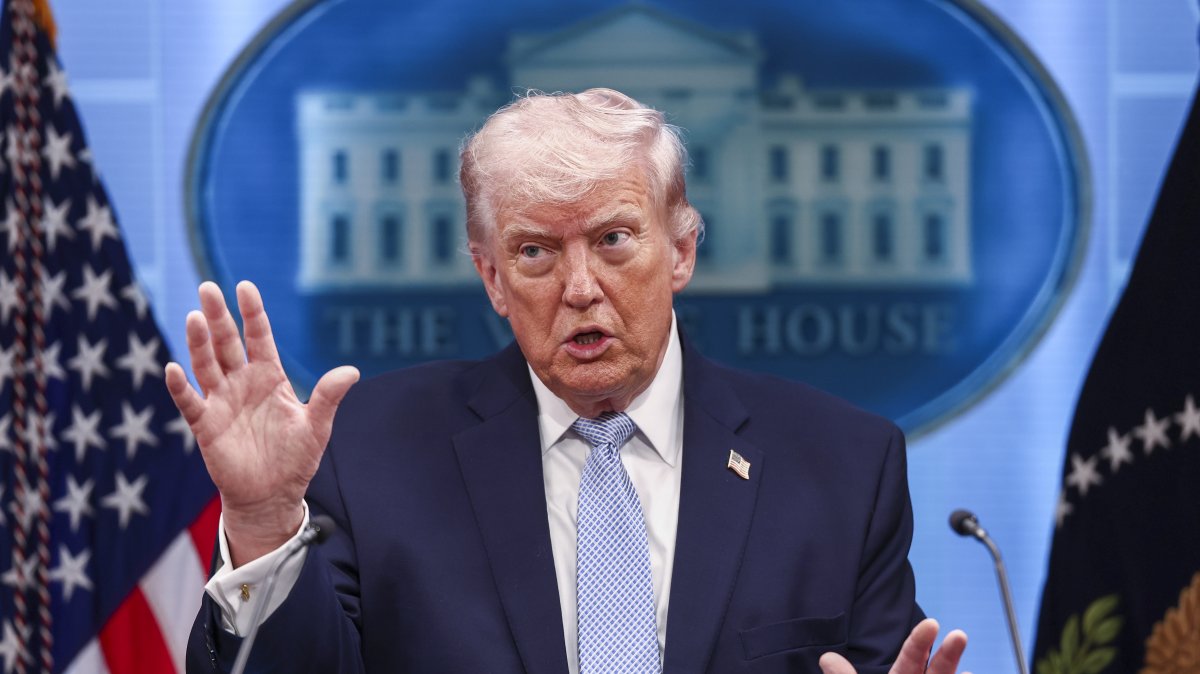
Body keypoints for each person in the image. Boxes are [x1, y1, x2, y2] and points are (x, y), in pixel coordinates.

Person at [167, 88, 968, 673]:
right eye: (536, 253)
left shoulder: (841, 466)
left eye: (615, 239)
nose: (580, 286)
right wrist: (267, 523)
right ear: (491, 278)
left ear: (682, 251)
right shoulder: (369, 454)